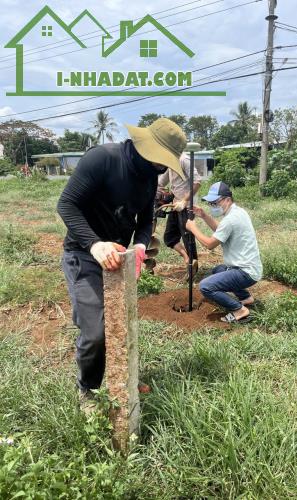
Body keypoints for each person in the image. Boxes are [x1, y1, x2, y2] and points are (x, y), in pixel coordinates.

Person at [57, 118, 187, 408]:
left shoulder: (151, 176)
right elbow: (66, 204)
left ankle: (123, 376)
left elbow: (145, 219)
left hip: (120, 259)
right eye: (160, 159)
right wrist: (95, 244)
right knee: (95, 333)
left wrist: (140, 246)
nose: (162, 167)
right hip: (83, 254)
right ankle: (88, 389)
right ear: (145, 146)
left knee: (121, 325)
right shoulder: (103, 159)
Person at [185, 181, 262, 324]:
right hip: (250, 268)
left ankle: (239, 310)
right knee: (218, 270)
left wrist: (193, 228)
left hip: (245, 272)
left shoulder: (231, 219)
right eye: (211, 204)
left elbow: (209, 244)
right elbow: (221, 230)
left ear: (227, 199)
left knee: (205, 286)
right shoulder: (238, 212)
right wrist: (204, 215)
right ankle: (245, 298)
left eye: (215, 202)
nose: (213, 206)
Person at [157, 151, 202, 276]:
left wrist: (185, 200)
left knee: (188, 240)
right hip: (175, 206)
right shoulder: (170, 163)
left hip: (186, 207)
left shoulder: (184, 160)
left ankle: (192, 270)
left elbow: (197, 182)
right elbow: (161, 182)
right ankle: (187, 258)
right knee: (169, 238)